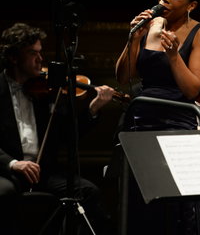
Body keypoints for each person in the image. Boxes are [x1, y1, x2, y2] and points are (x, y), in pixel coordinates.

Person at [115, 0, 200, 235]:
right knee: (142, 210)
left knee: (175, 212)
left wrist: (173, 56)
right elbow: (123, 76)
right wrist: (133, 38)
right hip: (140, 122)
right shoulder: (150, 25)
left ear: (191, 5)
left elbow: (192, 89)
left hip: (176, 124)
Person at [0, 22, 115, 235]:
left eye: (40, 52)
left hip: (42, 171)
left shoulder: (45, 91)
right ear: (14, 57)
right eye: (32, 53)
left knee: (89, 192)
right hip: (7, 172)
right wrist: (14, 164)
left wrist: (93, 108)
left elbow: (67, 135)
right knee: (3, 192)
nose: (40, 59)